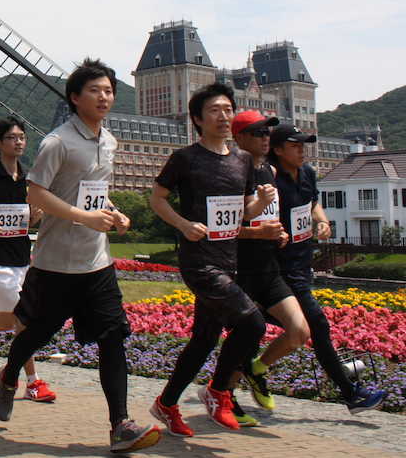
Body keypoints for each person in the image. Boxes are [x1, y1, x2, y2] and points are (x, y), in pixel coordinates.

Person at [0, 59, 161, 454]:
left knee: (114, 334)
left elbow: (94, 191)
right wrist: (84, 216)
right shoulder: (58, 142)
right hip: (56, 263)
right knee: (36, 332)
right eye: (95, 90)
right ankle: (10, 373)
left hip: (96, 263)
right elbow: (36, 193)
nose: (104, 97)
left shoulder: (109, 140)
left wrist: (113, 212)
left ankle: (119, 424)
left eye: (109, 90)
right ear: (74, 97)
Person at [149, 82, 276, 436]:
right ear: (197, 119)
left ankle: (167, 403)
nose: (223, 116)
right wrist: (183, 224)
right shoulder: (185, 159)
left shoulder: (243, 161)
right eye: (214, 110)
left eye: (226, 109)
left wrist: (261, 204)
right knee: (252, 324)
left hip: (228, 260)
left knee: (204, 339)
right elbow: (157, 199)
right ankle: (218, 391)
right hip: (199, 261)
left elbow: (242, 213)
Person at [268, 124, 388, 413]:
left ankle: (244, 371)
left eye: (304, 145)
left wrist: (322, 221)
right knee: (317, 326)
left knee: (267, 327)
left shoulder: (307, 173)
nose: (302, 150)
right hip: (277, 267)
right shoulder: (270, 178)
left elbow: (312, 204)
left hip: (302, 263)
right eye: (295, 145)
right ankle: (351, 394)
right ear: (278, 149)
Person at [228, 111, 310, 425]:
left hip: (269, 266)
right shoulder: (234, 171)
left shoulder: (269, 171)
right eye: (258, 131)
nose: (265, 137)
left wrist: (277, 231)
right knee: (244, 337)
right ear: (240, 137)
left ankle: (257, 368)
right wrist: (258, 232)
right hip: (242, 268)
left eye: (267, 131)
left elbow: (265, 216)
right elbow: (223, 227)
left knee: (299, 330)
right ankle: (225, 394)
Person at [0, 116, 55, 403]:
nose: (19, 141)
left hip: (23, 256)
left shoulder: (29, 180)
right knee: (23, 319)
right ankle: (32, 381)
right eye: (12, 137)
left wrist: (36, 216)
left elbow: (31, 216)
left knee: (9, 320)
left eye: (21, 136)